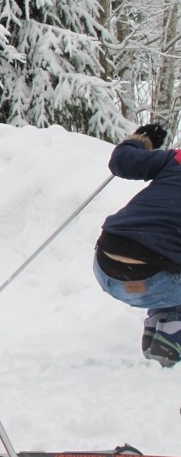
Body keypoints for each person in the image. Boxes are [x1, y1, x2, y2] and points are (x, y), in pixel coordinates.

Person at [93, 123, 181, 368]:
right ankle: (172, 330)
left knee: (166, 258)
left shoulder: (176, 159)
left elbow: (122, 162)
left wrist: (142, 140)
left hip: (106, 267)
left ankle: (162, 329)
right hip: (153, 281)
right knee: (166, 264)